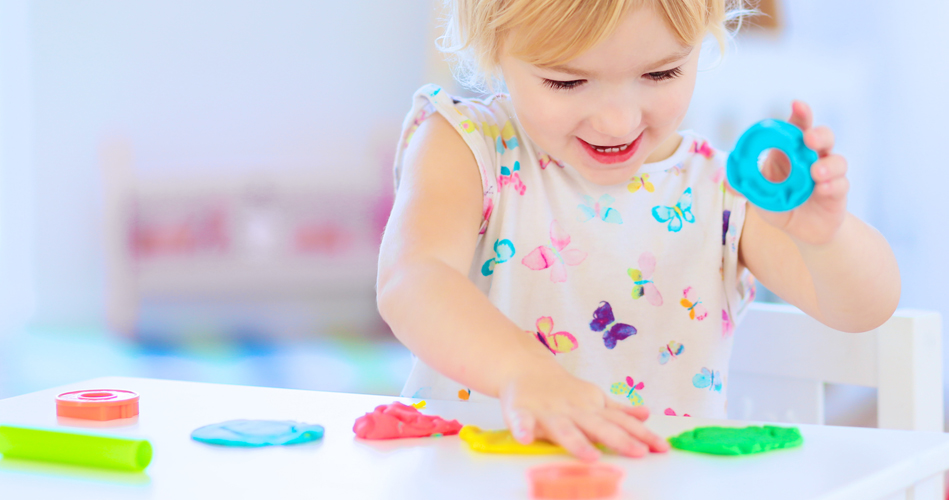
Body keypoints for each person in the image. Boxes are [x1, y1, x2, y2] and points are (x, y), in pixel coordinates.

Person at [376, 0, 900, 462]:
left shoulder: (720, 189)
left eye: (662, 74)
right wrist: (521, 371)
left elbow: (863, 310)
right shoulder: (467, 146)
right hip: (470, 478)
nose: (618, 120)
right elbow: (412, 279)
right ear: (494, 50)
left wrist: (824, 239)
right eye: (567, 81)